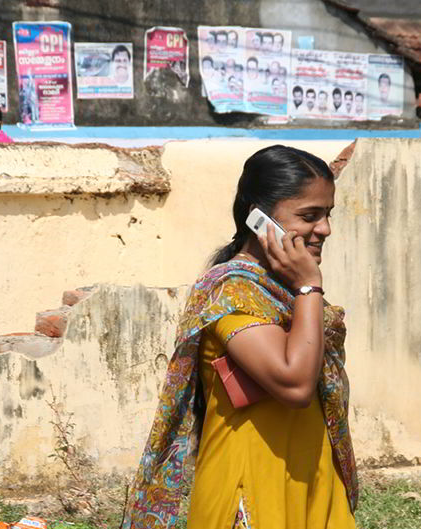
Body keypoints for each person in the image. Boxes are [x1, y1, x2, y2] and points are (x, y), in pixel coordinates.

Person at [123, 145, 358, 529]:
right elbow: (295, 384)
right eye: (309, 216)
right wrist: (309, 287)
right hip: (251, 490)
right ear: (259, 218)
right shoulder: (232, 291)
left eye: (328, 214)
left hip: (310, 478)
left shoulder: (282, 290)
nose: (324, 229)